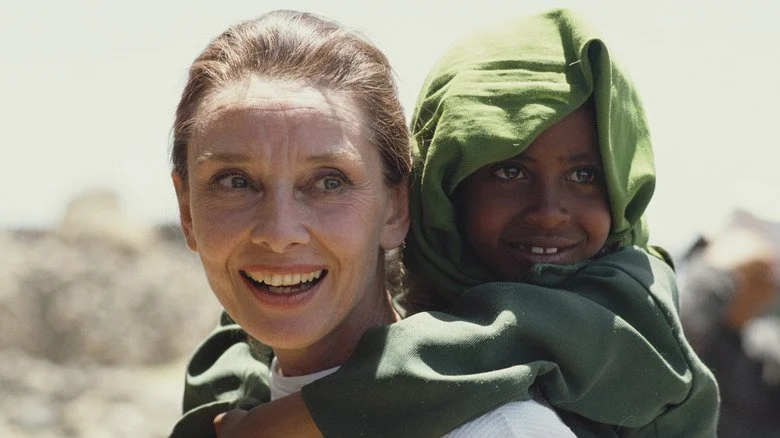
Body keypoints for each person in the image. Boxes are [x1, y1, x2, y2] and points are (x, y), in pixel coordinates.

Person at [175, 8, 720, 437]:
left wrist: (312, 415)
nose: (279, 231)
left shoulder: (619, 307)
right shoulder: (420, 294)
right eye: (234, 182)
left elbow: (499, 344)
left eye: (329, 181)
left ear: (398, 204)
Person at [678, 209, 780, 437]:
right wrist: (720, 269)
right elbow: (676, 337)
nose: (760, 292)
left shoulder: (765, 348)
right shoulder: (686, 311)